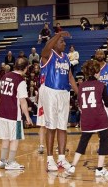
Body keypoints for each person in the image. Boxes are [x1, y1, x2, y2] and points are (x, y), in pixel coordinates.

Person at [66, 60, 108, 177]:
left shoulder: (81, 86)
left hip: (86, 118)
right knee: (104, 140)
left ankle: (72, 166)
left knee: (83, 142)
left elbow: (80, 103)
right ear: (97, 72)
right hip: (100, 118)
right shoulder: (101, 85)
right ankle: (99, 168)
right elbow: (107, 104)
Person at [40, 31, 78, 171]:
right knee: (51, 127)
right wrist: (58, 34)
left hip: (64, 93)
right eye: (62, 41)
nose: (65, 43)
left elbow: (70, 77)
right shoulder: (48, 55)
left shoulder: (66, 58)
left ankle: (61, 159)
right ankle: (50, 160)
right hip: (51, 92)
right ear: (55, 43)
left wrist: (79, 93)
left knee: (62, 127)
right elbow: (45, 49)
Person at [0, 58, 32, 170]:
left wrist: (0, 108)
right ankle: (11, 162)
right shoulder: (20, 80)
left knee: (5, 138)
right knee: (15, 138)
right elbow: (23, 101)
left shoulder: (4, 76)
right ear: (26, 68)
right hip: (14, 116)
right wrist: (27, 117)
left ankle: (2, 161)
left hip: (2, 114)